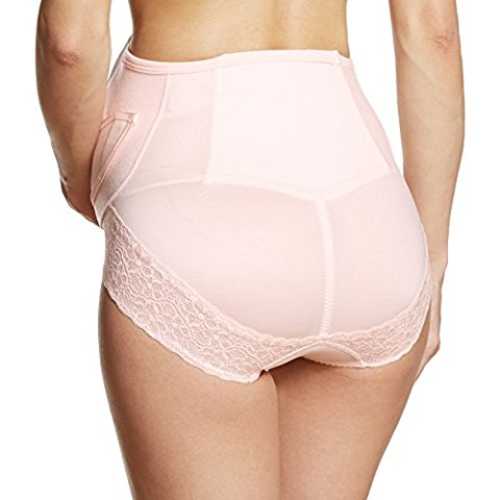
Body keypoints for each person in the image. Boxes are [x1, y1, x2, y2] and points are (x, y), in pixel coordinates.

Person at [36, 1, 464, 498]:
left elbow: (68, 43)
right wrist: (431, 261)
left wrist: (79, 177)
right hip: (370, 223)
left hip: (196, 211)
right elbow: (435, 33)